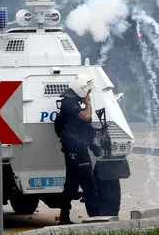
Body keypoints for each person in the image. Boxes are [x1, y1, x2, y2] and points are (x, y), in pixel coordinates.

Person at [56, 74, 101, 225]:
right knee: (90, 186)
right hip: (77, 152)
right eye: (88, 91)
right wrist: (88, 103)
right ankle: (95, 219)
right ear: (81, 90)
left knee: (70, 186)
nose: (89, 94)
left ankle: (64, 218)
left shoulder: (71, 102)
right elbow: (86, 117)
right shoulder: (70, 104)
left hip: (74, 151)